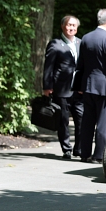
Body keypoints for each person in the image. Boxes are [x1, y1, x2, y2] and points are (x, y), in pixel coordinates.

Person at [74, 9, 106, 164]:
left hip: (88, 86)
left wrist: (79, 85)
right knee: (104, 123)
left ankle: (84, 153)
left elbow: (80, 65)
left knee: (87, 122)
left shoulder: (86, 38)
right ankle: (98, 155)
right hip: (105, 88)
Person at [42, 15, 84, 159]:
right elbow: (48, 67)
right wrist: (47, 86)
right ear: (62, 26)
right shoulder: (55, 44)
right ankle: (67, 148)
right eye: (69, 25)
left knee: (81, 119)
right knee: (63, 120)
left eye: (74, 25)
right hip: (61, 89)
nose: (71, 28)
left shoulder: (81, 43)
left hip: (78, 90)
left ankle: (78, 148)